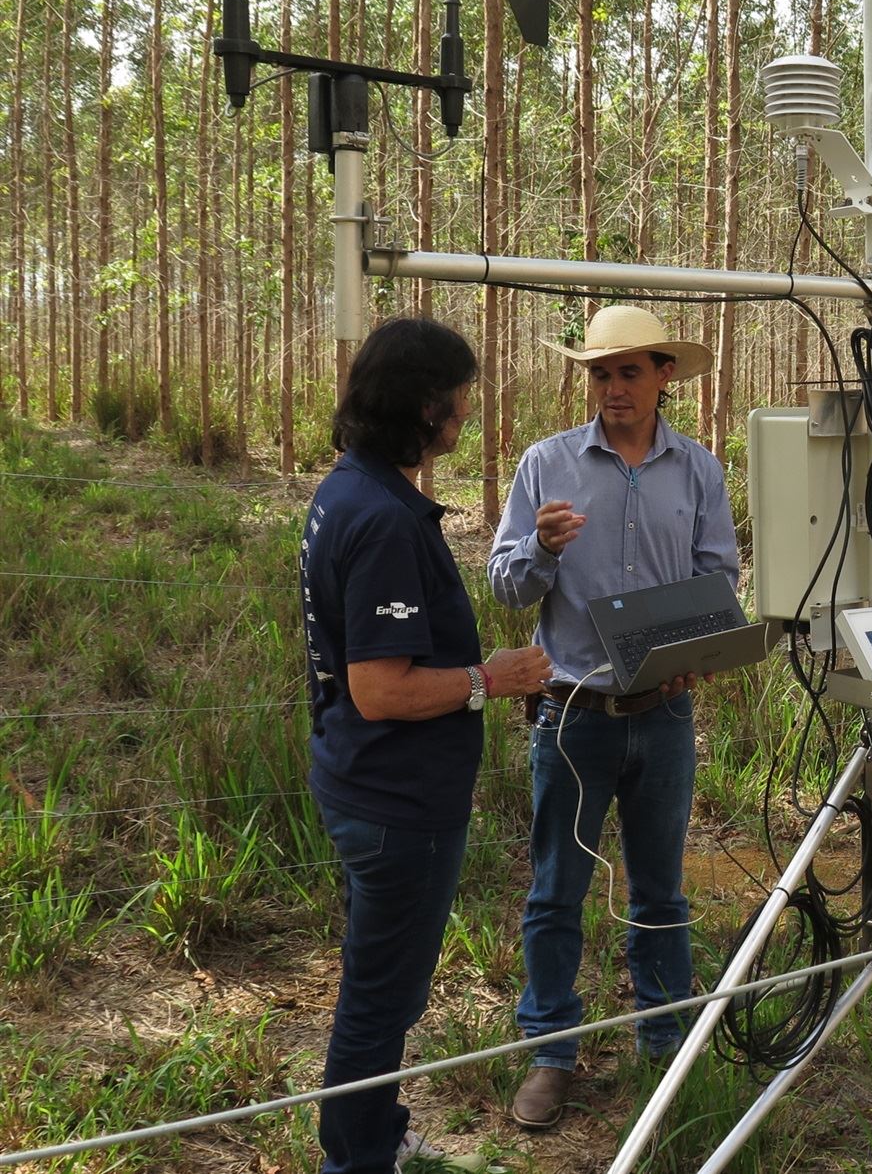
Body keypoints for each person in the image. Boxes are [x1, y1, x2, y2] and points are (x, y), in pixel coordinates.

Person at [301, 317, 552, 1173]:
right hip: (396, 803)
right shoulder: (382, 521)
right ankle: (356, 1158)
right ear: (425, 405)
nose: (467, 414)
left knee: (382, 984)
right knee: (382, 998)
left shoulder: (350, 490)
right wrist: (494, 678)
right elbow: (380, 687)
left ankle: (374, 1132)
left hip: (364, 784)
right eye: (460, 397)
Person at [488, 305, 740, 1130]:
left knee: (661, 890)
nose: (613, 387)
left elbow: (718, 580)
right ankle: (551, 1050)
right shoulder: (547, 464)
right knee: (557, 890)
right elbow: (506, 584)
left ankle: (662, 1047)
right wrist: (543, 550)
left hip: (665, 715)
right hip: (572, 715)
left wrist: (703, 643)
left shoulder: (699, 471)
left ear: (665, 376)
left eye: (630, 371)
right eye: (600, 372)